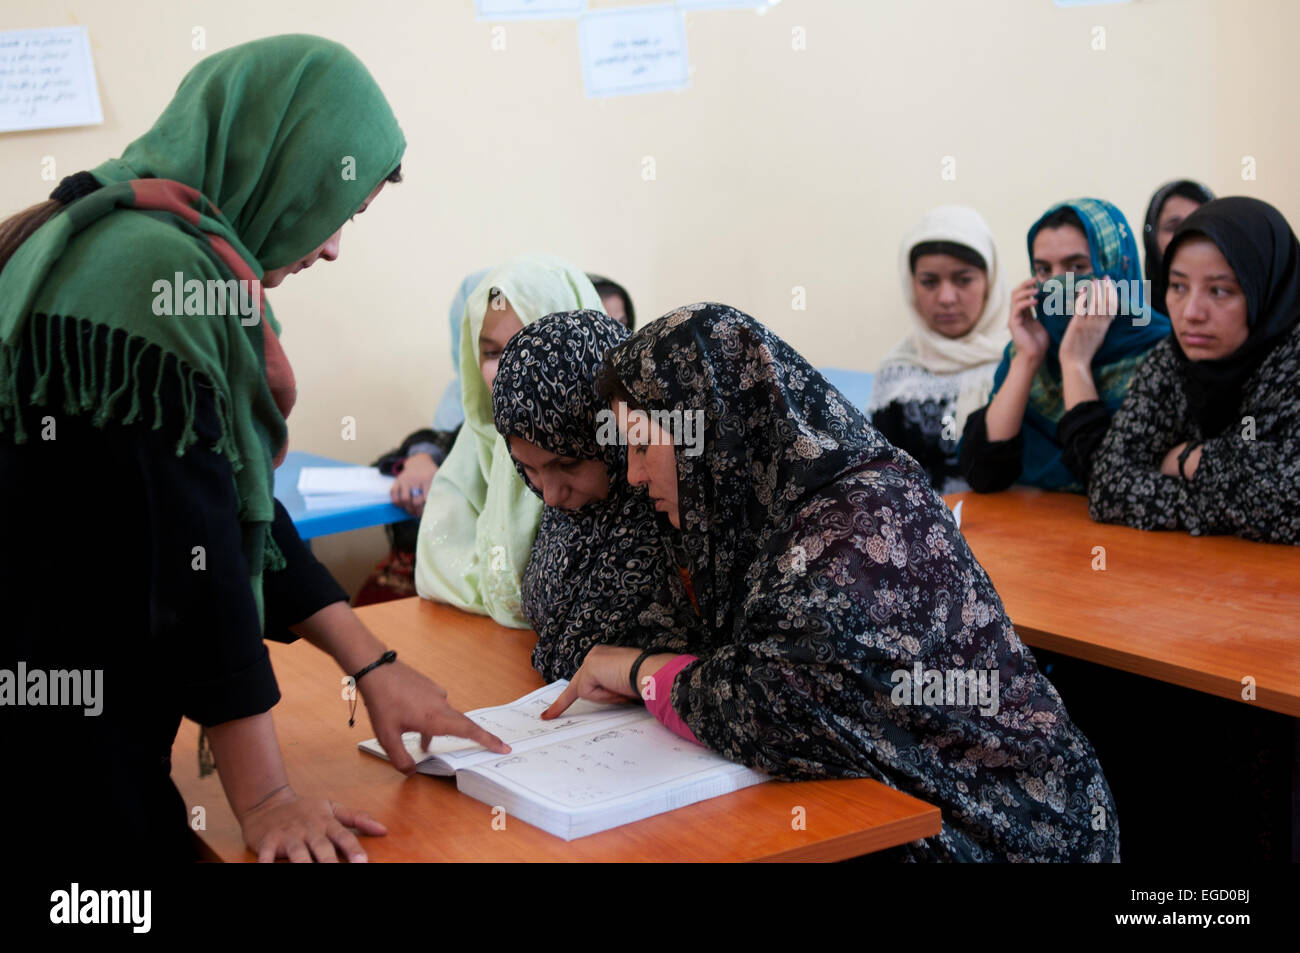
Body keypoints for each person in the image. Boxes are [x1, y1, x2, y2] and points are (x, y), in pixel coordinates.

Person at [0, 35, 505, 863]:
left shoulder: (98, 235)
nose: (335, 245)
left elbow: (235, 505)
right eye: (340, 209)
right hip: (64, 766)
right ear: (281, 158)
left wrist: (371, 663)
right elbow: (198, 555)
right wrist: (267, 796)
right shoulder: (153, 276)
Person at [546, 302, 1119, 862]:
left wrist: (633, 670)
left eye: (644, 445)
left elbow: (768, 704)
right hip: (932, 801)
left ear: (712, 429)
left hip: (1019, 831)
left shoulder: (852, 521)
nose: (635, 474)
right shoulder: (762, 512)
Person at [490, 311, 700, 681]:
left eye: (568, 464)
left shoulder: (679, 526)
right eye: (530, 469)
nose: (551, 497)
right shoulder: (572, 518)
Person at [1088, 196, 1300, 543]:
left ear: (1267, 288)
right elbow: (1108, 486)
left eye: (1219, 290)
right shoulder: (1170, 359)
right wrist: (1240, 482)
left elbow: (1291, 506)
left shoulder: (1292, 363)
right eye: (1179, 287)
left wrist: (1186, 460)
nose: (1191, 313)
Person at [413, 255, 604, 627]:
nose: (507, 369)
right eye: (491, 352)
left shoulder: (614, 446)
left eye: (526, 344)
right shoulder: (479, 436)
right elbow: (434, 564)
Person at [959, 199, 1170, 492]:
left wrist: (1075, 363)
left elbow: (1112, 484)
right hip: (1031, 531)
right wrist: (1027, 358)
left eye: (1077, 267)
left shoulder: (1162, 353)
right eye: (1044, 270)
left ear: (1116, 269)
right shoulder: (1032, 348)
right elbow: (983, 473)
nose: (1058, 283)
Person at [867, 206, 1009, 493]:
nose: (946, 298)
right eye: (929, 282)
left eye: (963, 279)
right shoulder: (898, 373)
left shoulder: (1020, 359)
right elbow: (884, 479)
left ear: (989, 282)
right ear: (912, 285)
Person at [1143, 179, 1214, 315]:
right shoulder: (1134, 311)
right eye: (1173, 227)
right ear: (1153, 237)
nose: (1185, 236)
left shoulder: (1230, 304)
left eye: (1198, 226)